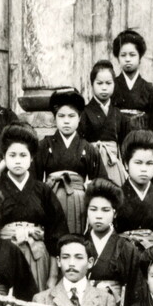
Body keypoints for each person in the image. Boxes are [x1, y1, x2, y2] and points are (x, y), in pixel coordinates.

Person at [0, 123, 63, 291]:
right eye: (12, 155)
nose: (18, 161)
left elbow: (57, 232)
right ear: (4, 157)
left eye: (23, 155)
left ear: (32, 157)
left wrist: (53, 276)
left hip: (37, 255)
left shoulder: (43, 190)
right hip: (4, 255)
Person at [37, 88, 103, 236]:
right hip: (51, 199)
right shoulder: (44, 146)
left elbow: (100, 182)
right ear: (54, 119)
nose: (66, 121)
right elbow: (34, 180)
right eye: (61, 116)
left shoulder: (88, 148)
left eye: (72, 116)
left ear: (79, 118)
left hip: (78, 204)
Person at [84, 179, 143, 302]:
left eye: (105, 210)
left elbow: (135, 291)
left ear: (114, 213)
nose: (98, 216)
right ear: (87, 211)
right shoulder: (79, 245)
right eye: (93, 209)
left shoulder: (127, 248)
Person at [115, 130, 153, 251]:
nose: (144, 169)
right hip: (123, 256)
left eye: (149, 163)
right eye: (138, 163)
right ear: (126, 164)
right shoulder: (115, 197)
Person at [79, 58, 129, 184]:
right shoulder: (84, 112)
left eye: (108, 83)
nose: (104, 88)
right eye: (99, 83)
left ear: (114, 84)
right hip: (92, 163)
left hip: (113, 163)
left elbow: (125, 145)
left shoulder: (118, 114)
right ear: (92, 84)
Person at [110, 28, 153, 135]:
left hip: (143, 140)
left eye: (132, 55)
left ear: (140, 57)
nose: (127, 59)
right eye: (123, 55)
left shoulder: (149, 89)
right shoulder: (111, 87)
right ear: (118, 58)